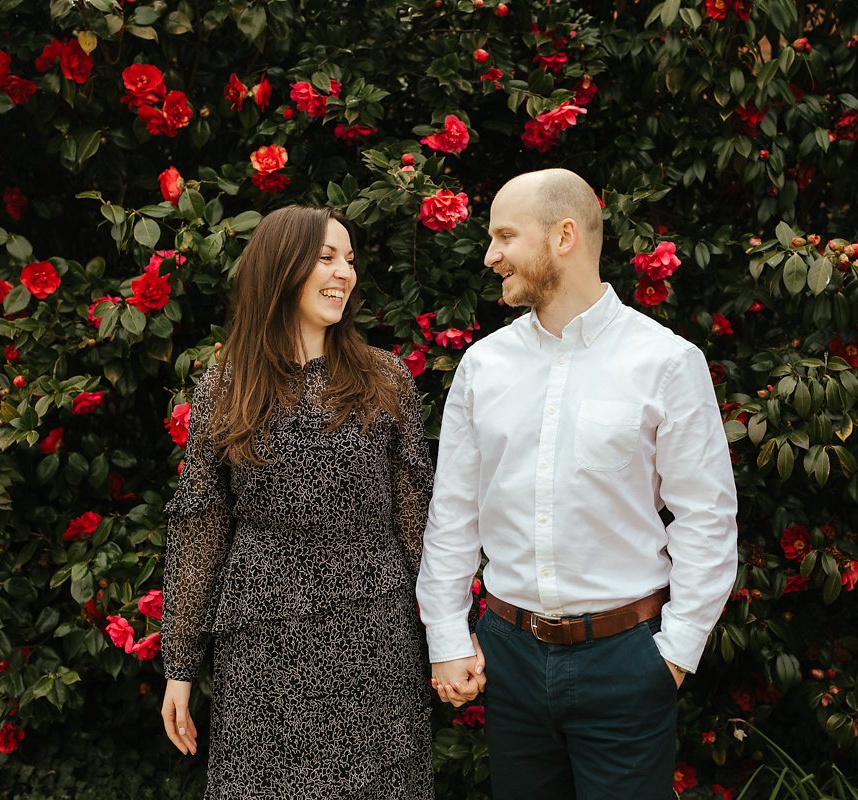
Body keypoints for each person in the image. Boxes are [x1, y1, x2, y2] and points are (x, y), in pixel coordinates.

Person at [417, 169, 739, 799]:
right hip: (507, 657)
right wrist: (448, 637)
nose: (491, 256)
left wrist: (672, 656)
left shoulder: (667, 363)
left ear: (564, 235)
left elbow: (706, 519)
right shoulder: (484, 367)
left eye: (505, 236)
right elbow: (453, 515)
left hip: (626, 658)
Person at [160, 205, 435, 799]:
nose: (346, 273)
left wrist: (452, 637)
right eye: (328, 257)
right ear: (282, 268)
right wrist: (179, 665)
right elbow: (201, 525)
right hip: (262, 638)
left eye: (351, 260)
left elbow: (416, 515)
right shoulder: (227, 385)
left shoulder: (385, 380)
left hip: (373, 633)